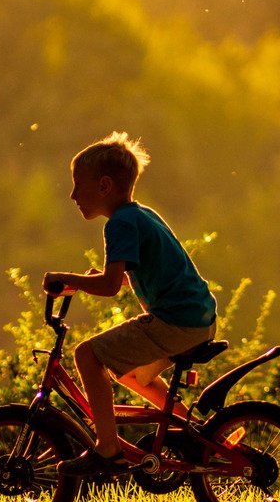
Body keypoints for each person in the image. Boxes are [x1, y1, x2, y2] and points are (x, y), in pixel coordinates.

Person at [43, 132, 217, 478]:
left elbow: (109, 287)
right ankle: (194, 434)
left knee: (87, 355)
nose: (73, 195)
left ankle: (108, 450)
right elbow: (139, 272)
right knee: (131, 372)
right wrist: (86, 280)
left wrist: (67, 278)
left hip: (175, 321)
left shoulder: (120, 224)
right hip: (197, 317)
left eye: (78, 185)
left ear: (104, 186)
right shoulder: (141, 215)